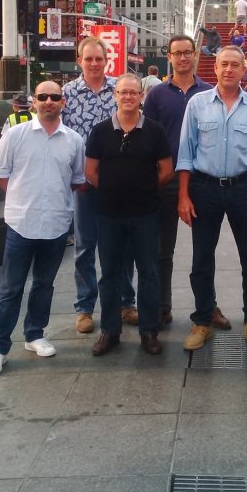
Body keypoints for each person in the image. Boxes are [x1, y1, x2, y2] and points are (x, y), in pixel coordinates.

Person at [0, 81, 86, 375]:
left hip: (56, 223)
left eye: (55, 97)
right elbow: (0, 174)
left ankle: (34, 334)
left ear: (63, 102)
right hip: (21, 223)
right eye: (43, 97)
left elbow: (77, 179)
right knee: (10, 288)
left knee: (44, 284)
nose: (49, 101)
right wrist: (22, 196)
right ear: (34, 103)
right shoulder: (15, 135)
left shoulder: (74, 140)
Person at [177, 45, 247, 352]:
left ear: (244, 70)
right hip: (204, 189)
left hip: (245, 188)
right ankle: (202, 319)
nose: (229, 70)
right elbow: (186, 152)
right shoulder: (198, 103)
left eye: (235, 65)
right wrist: (184, 196)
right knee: (202, 257)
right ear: (214, 68)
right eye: (223, 65)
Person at [85, 74, 173, 356]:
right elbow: (91, 172)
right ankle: (110, 331)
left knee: (148, 272)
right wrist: (113, 191)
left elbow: (166, 169)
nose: (128, 97)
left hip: (145, 214)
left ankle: (149, 331)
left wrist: (143, 189)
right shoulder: (99, 132)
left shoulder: (155, 131)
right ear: (115, 96)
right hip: (109, 214)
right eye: (123, 93)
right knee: (109, 273)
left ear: (141, 97)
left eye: (133, 93)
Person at [143, 35, 224, 329]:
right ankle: (162, 306)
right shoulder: (156, 95)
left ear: (195, 55)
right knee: (162, 249)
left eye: (187, 52)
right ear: (169, 57)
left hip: (202, 180)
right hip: (166, 179)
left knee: (205, 249)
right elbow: (147, 136)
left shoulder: (209, 92)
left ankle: (208, 306)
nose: (182, 58)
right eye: (177, 53)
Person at [61, 36, 117, 334]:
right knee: (84, 247)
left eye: (99, 58)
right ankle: (85, 308)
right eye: (88, 59)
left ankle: (126, 301)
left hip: (119, 185)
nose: (94, 64)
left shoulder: (120, 89)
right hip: (84, 186)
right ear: (79, 60)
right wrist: (74, 177)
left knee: (121, 245)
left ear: (106, 59)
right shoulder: (67, 94)